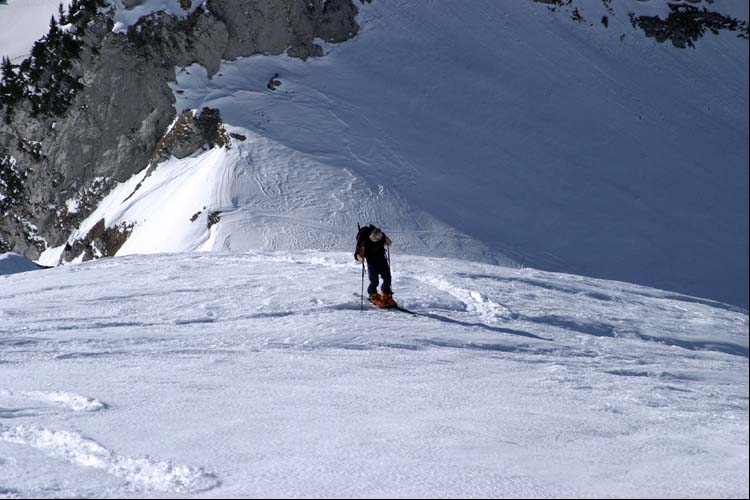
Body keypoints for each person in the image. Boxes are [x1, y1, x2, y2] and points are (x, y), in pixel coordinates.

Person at [354, 224, 396, 307]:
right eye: (377, 239)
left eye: (379, 238)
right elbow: (357, 253)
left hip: (381, 258)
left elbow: (387, 240)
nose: (378, 240)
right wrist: (360, 257)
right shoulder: (365, 242)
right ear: (372, 237)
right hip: (371, 260)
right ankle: (373, 294)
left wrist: (388, 242)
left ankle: (386, 294)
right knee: (374, 279)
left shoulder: (381, 235)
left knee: (387, 277)